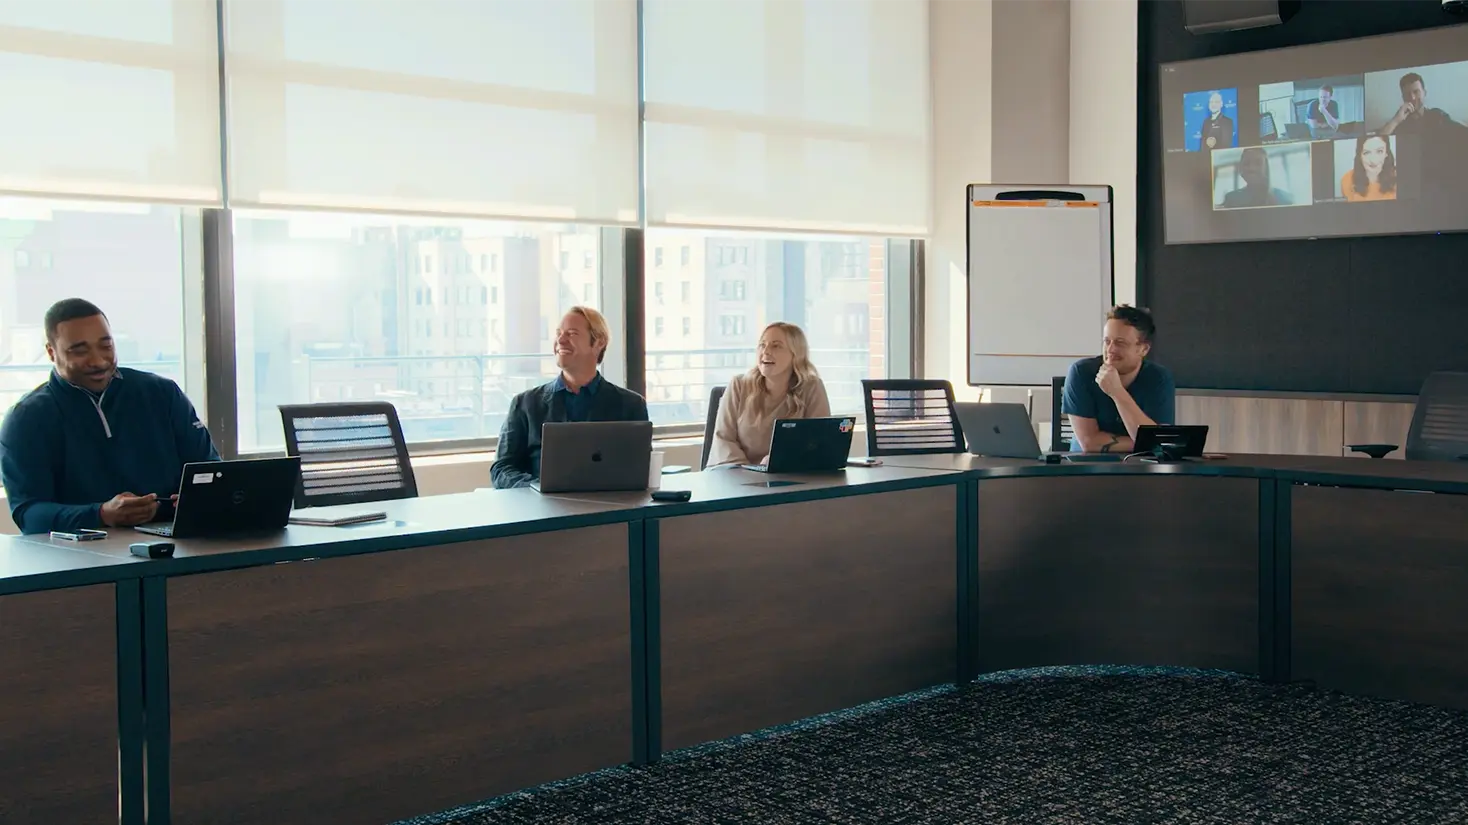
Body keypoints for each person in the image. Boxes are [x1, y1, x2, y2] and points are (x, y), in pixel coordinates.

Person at [0, 299, 219, 535]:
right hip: (81, 551)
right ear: (51, 352)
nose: (98, 361)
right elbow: (28, 515)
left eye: (106, 346)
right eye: (80, 351)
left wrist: (192, 500)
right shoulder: (26, 419)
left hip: (175, 541)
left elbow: (211, 473)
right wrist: (101, 514)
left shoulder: (163, 394)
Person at [490, 306, 648, 488]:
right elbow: (501, 469)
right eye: (559, 333)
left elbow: (639, 470)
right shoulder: (525, 404)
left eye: (572, 334)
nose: (561, 340)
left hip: (608, 505)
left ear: (599, 343)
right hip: (540, 504)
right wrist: (538, 488)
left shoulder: (631, 405)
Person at [706, 322, 830, 468]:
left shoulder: (812, 387)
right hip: (735, 473)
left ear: (795, 354)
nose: (766, 351)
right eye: (762, 345)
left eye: (776, 346)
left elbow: (819, 442)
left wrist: (780, 462)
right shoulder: (738, 385)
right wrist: (752, 472)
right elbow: (724, 440)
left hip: (789, 474)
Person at [1062, 305, 1175, 454]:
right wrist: (1147, 443)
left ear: (1143, 349)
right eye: (1107, 341)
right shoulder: (1081, 373)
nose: (1110, 350)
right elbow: (1089, 444)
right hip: (1089, 464)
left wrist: (1117, 392)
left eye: (1120, 343)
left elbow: (1159, 440)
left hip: (1142, 464)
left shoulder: (1159, 378)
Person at [1378, 72, 1467, 138]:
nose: (1412, 98)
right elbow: (1377, 142)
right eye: (1407, 94)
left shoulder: (1437, 116)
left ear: (1424, 93)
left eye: (1416, 92)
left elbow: (1462, 131)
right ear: (1403, 97)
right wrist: (1395, 121)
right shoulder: (1399, 122)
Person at [1220, 147, 1294, 209]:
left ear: (1266, 168)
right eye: (1246, 163)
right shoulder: (1231, 199)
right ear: (1241, 169)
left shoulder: (1285, 199)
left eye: (1258, 163)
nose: (1251, 168)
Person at [1340, 135, 1398, 202]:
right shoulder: (1347, 180)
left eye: (1379, 151)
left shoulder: (1399, 178)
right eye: (1367, 153)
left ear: (1386, 153)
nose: (1373, 160)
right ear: (1360, 156)